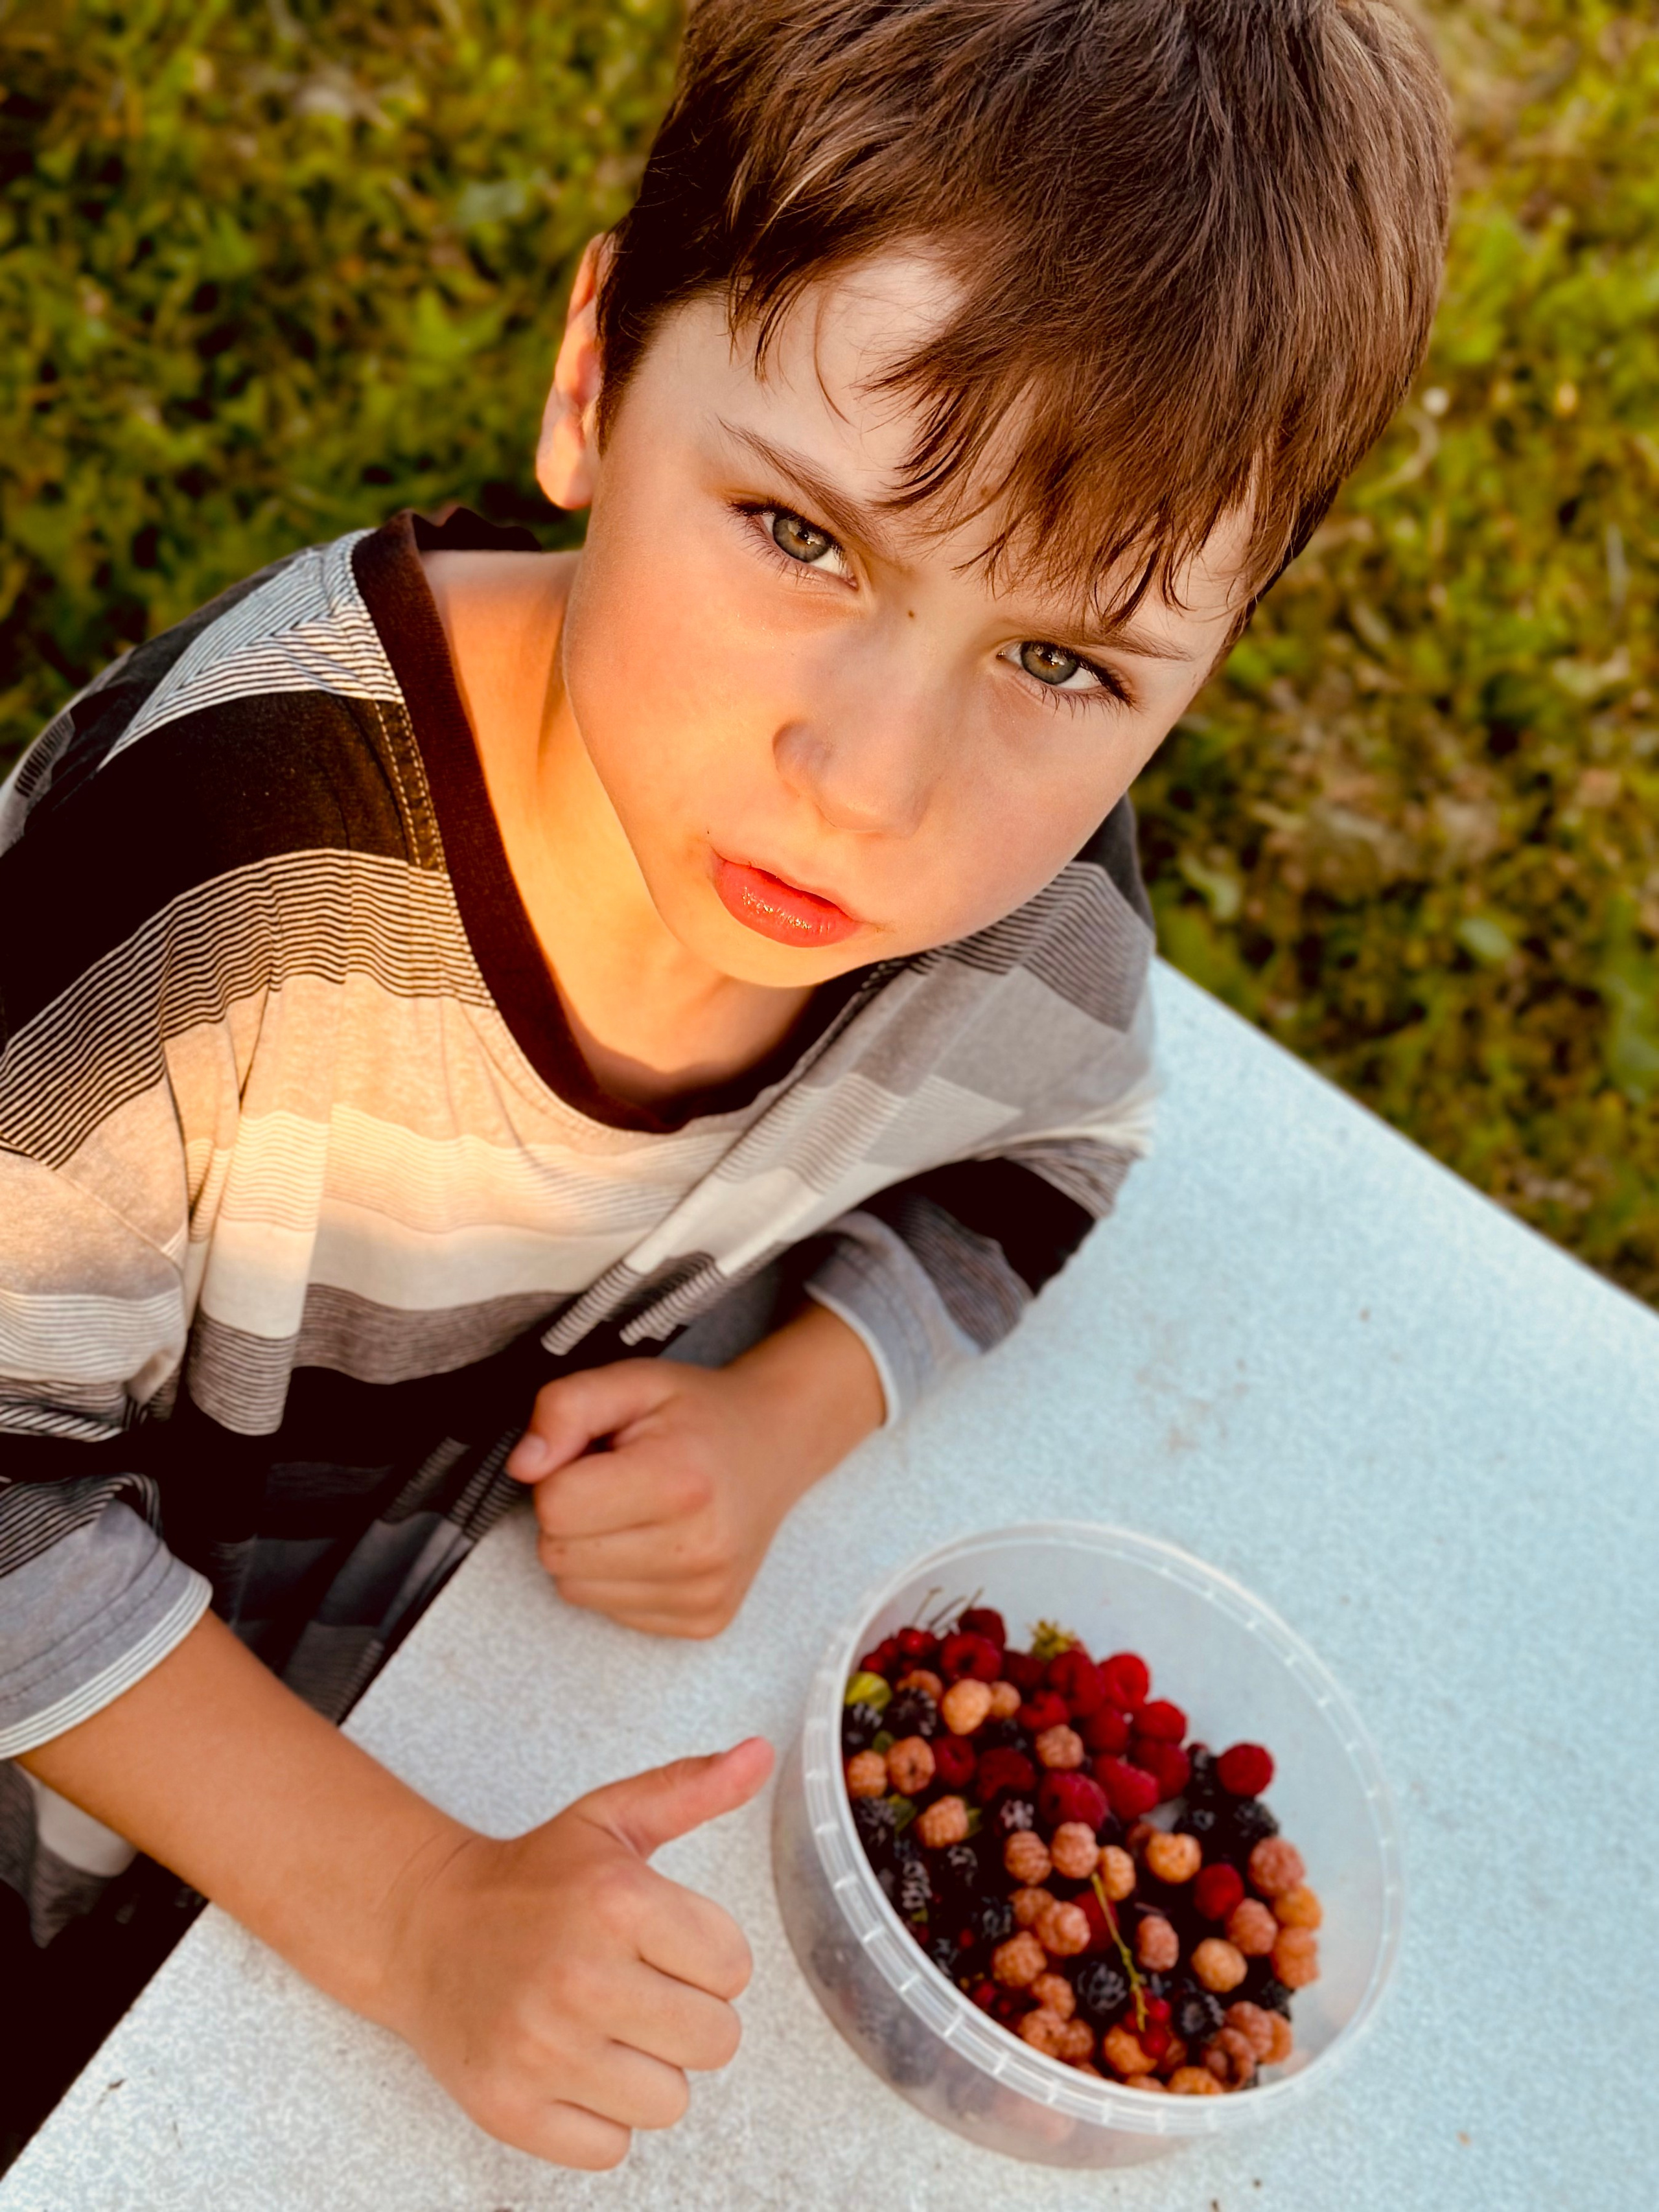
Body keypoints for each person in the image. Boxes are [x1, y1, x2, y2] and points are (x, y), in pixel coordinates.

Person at [0, 0, 1450, 2172]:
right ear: (594, 377)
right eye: (800, 536)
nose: (874, 786)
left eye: (1064, 664)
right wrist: (404, 1909)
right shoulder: (217, 891)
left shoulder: (1013, 922)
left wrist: (796, 1411)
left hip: (418, 1694)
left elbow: (1057, 1151)